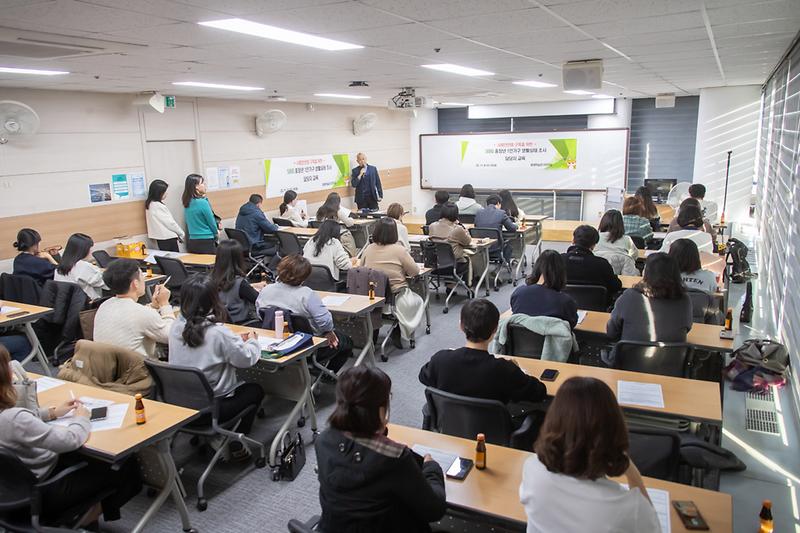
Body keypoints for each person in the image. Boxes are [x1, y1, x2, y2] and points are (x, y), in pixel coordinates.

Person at [0, 345, 142, 526]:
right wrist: (81, 418)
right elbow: (70, 439)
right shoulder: (14, 419)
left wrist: (52, 413)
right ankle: (75, 523)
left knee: (86, 459)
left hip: (9, 489)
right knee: (125, 467)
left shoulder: (11, 417)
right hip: (40, 490)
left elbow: (17, 421)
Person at [315, 366, 446, 532]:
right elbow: (435, 510)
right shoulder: (394, 459)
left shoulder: (324, 440)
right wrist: (432, 468)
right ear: (381, 409)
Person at [520, 376, 659, 533]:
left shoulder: (532, 469)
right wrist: (633, 475)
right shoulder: (627, 509)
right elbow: (653, 528)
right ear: (614, 428)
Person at [168, 274, 264, 461]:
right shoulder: (217, 333)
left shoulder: (174, 327)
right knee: (255, 390)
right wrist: (253, 342)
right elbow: (245, 359)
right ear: (214, 300)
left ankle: (218, 436)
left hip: (181, 404)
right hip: (212, 408)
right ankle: (232, 439)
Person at [419, 299, 547, 405]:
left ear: (461, 326)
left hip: (448, 427)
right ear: (495, 330)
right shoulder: (504, 369)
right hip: (492, 433)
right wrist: (517, 370)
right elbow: (539, 393)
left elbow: (423, 377)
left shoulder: (441, 359)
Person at [257, 255, 352, 372]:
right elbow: (325, 322)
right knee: (346, 342)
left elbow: (259, 313)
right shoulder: (307, 294)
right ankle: (325, 375)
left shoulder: (266, 290)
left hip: (275, 341)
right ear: (304, 276)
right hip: (308, 346)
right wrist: (329, 331)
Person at [606, 253, 692, 365]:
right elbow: (687, 328)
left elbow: (611, 332)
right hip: (671, 366)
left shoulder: (629, 296)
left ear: (646, 272)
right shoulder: (685, 299)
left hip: (629, 364)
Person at [93, 258, 175, 358]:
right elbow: (173, 336)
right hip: (137, 371)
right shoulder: (142, 313)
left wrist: (153, 306)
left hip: (107, 368)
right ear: (135, 283)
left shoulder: (104, 305)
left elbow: (132, 315)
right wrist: (165, 304)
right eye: (142, 275)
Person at [510, 250, 579, 329]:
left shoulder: (519, 293)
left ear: (536, 269)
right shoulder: (565, 302)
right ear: (561, 273)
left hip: (521, 340)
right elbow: (571, 325)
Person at [561, 225, 622, 303]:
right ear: (593, 245)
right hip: (597, 309)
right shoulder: (602, 264)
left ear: (573, 240)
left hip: (562, 309)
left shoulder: (558, 260)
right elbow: (616, 286)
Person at [212, 240, 265, 324]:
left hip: (219, 321)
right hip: (243, 323)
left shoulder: (211, 279)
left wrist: (251, 286)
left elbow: (229, 291)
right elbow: (258, 300)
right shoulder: (240, 284)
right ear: (238, 259)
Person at [361, 218, 420, 294]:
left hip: (374, 292)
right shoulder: (400, 250)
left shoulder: (369, 248)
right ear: (394, 233)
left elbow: (361, 268)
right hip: (396, 292)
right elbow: (415, 272)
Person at [54, 233, 107, 300]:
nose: (91, 251)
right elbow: (104, 283)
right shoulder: (83, 266)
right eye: (90, 248)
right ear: (83, 250)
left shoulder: (60, 267)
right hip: (90, 303)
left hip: (70, 304)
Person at [428, 202, 472, 278]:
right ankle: (469, 285)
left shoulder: (432, 226)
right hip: (453, 266)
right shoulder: (457, 229)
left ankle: (450, 286)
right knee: (468, 258)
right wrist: (464, 228)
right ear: (456, 215)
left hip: (435, 265)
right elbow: (467, 241)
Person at [182, 173, 218, 254]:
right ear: (196, 186)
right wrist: (216, 232)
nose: (204, 185)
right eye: (202, 183)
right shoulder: (202, 202)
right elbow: (211, 222)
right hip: (206, 239)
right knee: (211, 264)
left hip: (193, 240)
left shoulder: (187, 202)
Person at [594, 210, 639, 276]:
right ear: (621, 224)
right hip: (620, 277)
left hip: (596, 275)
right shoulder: (626, 239)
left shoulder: (595, 237)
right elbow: (634, 255)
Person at [474, 194, 518, 261]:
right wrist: (516, 225)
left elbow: (476, 226)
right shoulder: (501, 213)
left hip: (481, 247)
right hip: (496, 248)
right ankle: (505, 262)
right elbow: (512, 228)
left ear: (487, 204)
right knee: (509, 245)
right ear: (498, 203)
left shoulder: (478, 213)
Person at [145, 179, 185, 251]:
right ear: (159, 193)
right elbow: (170, 223)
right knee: (173, 258)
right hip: (168, 238)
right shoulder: (158, 206)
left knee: (167, 259)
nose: (166, 193)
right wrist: (181, 233)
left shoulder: (150, 204)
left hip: (161, 238)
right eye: (165, 192)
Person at [316, 192, 357, 257]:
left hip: (323, 234)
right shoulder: (337, 211)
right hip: (335, 235)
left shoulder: (320, 209)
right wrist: (351, 219)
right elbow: (349, 224)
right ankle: (352, 256)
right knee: (348, 235)